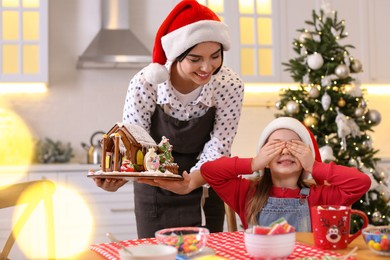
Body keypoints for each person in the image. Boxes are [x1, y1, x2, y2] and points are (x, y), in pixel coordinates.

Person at [93, 0, 244, 238]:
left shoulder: (228, 85)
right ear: (176, 54)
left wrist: (191, 181)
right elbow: (134, 141)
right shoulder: (146, 83)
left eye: (215, 56)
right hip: (154, 188)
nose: (207, 67)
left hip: (204, 182)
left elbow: (220, 144)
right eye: (195, 59)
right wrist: (120, 176)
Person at [143, 117, 371, 232]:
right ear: (264, 156)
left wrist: (315, 167)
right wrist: (252, 163)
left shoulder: (320, 196)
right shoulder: (247, 192)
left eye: (294, 146)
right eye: (275, 146)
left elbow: (361, 182)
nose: (284, 150)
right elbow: (211, 171)